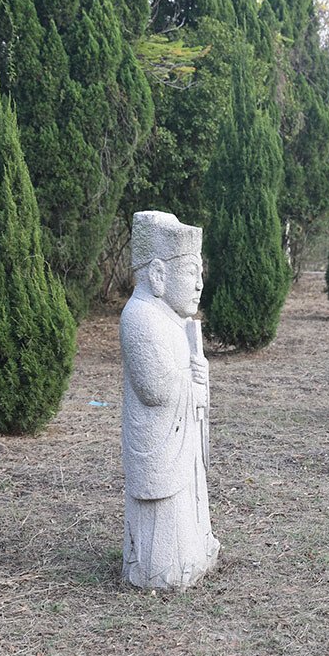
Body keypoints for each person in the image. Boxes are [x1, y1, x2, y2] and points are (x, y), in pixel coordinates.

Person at [121, 211, 219, 589]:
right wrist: (190, 383)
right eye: (190, 272)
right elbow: (154, 389)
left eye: (200, 274)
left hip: (181, 438)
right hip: (159, 443)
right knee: (166, 517)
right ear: (158, 275)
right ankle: (160, 569)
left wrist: (200, 377)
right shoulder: (140, 317)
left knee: (188, 501)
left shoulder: (174, 321)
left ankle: (193, 551)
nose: (199, 284)